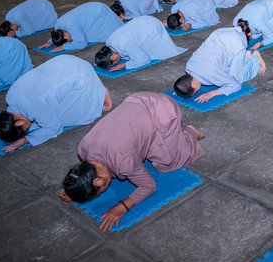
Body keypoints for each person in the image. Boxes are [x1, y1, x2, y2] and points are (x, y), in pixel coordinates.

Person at [59, 92, 205, 232]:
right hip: (137, 99)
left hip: (163, 109)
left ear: (98, 180)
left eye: (98, 193)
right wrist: (74, 187)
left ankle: (190, 133)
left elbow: (149, 186)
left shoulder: (123, 161)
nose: (101, 193)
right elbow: (81, 175)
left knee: (166, 163)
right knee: (144, 147)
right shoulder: (83, 148)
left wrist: (122, 207)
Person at [0, 55, 112, 152]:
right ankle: (97, 90)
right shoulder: (10, 97)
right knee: (45, 117)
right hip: (65, 60)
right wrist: (2, 128)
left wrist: (27, 139)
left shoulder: (33, 106)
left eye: (24, 130)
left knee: (64, 119)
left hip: (81, 74)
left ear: (19, 122)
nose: (26, 131)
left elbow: (54, 127)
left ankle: (100, 93)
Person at [173, 23, 266, 103]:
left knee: (238, 78)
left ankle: (254, 57)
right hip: (220, 33)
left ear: (194, 85)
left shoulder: (209, 73)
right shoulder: (189, 66)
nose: (197, 91)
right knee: (224, 66)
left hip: (236, 44)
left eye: (195, 91)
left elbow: (235, 85)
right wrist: (180, 90)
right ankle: (245, 57)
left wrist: (212, 93)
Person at [94, 16, 186, 72]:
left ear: (112, 56)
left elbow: (144, 59)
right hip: (143, 20)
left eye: (112, 63)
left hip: (153, 27)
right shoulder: (109, 42)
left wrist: (125, 65)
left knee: (145, 55)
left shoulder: (125, 44)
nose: (114, 64)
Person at [38, 2, 123, 52]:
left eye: (68, 40)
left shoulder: (71, 25)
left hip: (101, 13)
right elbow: (57, 35)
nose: (69, 38)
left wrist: (64, 47)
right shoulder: (58, 25)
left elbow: (82, 43)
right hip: (93, 8)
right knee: (79, 35)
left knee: (89, 37)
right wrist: (51, 42)